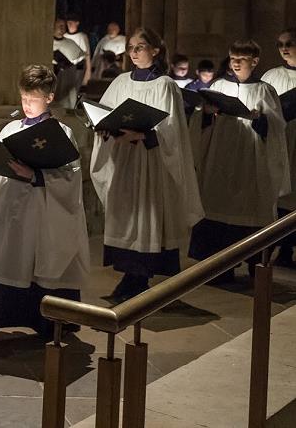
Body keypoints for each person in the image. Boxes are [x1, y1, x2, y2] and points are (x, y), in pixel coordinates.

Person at [0, 65, 89, 342]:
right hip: (12, 214)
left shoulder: (62, 132)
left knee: (39, 264)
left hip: (42, 214)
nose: (26, 105)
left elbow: (70, 177)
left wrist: (37, 176)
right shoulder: (10, 128)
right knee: (7, 260)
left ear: (49, 97)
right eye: (24, 98)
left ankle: (49, 323)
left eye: (33, 99)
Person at [90, 27, 203, 300]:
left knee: (145, 219)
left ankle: (138, 277)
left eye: (140, 47)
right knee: (125, 217)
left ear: (155, 50)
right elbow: (103, 114)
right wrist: (104, 128)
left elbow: (173, 129)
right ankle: (129, 274)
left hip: (149, 163)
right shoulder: (120, 82)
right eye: (131, 48)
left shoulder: (165, 85)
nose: (134, 53)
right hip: (123, 160)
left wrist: (142, 134)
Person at [189, 40, 290, 282]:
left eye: (241, 58)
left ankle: (253, 263)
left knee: (249, 209)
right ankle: (219, 269)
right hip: (220, 158)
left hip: (249, 161)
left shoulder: (264, 90)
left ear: (254, 62)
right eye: (233, 56)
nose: (235, 62)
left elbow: (276, 129)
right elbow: (201, 124)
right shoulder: (218, 85)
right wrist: (205, 114)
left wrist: (260, 120)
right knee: (216, 205)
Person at [262, 28, 296, 267]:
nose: (284, 48)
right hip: (281, 141)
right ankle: (281, 247)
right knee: (282, 195)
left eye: (290, 43)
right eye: (280, 44)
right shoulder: (271, 76)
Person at [52, 19, 86, 109]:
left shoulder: (70, 43)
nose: (61, 28)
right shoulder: (47, 43)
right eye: (59, 26)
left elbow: (81, 64)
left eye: (63, 26)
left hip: (67, 82)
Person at [64, 13, 92, 84]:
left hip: (78, 67)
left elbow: (86, 54)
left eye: (71, 22)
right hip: (65, 67)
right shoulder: (64, 36)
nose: (69, 24)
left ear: (77, 23)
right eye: (68, 22)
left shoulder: (82, 36)